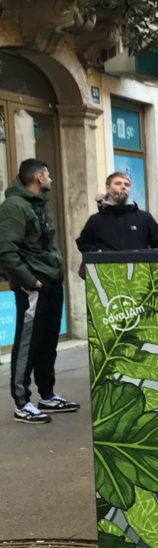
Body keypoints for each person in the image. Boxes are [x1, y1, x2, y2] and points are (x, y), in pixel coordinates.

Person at [0, 158, 79, 423]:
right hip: (34, 286)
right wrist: (30, 281)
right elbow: (6, 251)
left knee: (47, 341)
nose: (51, 179)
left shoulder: (36, 204)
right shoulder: (14, 207)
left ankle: (47, 394)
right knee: (28, 343)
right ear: (38, 177)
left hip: (50, 281)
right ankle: (22, 403)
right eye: (48, 175)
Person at [76, 171, 158, 255]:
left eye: (127, 185)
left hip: (139, 267)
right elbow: (83, 244)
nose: (123, 187)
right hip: (108, 267)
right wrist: (100, 254)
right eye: (118, 183)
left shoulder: (144, 218)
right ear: (108, 188)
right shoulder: (96, 220)